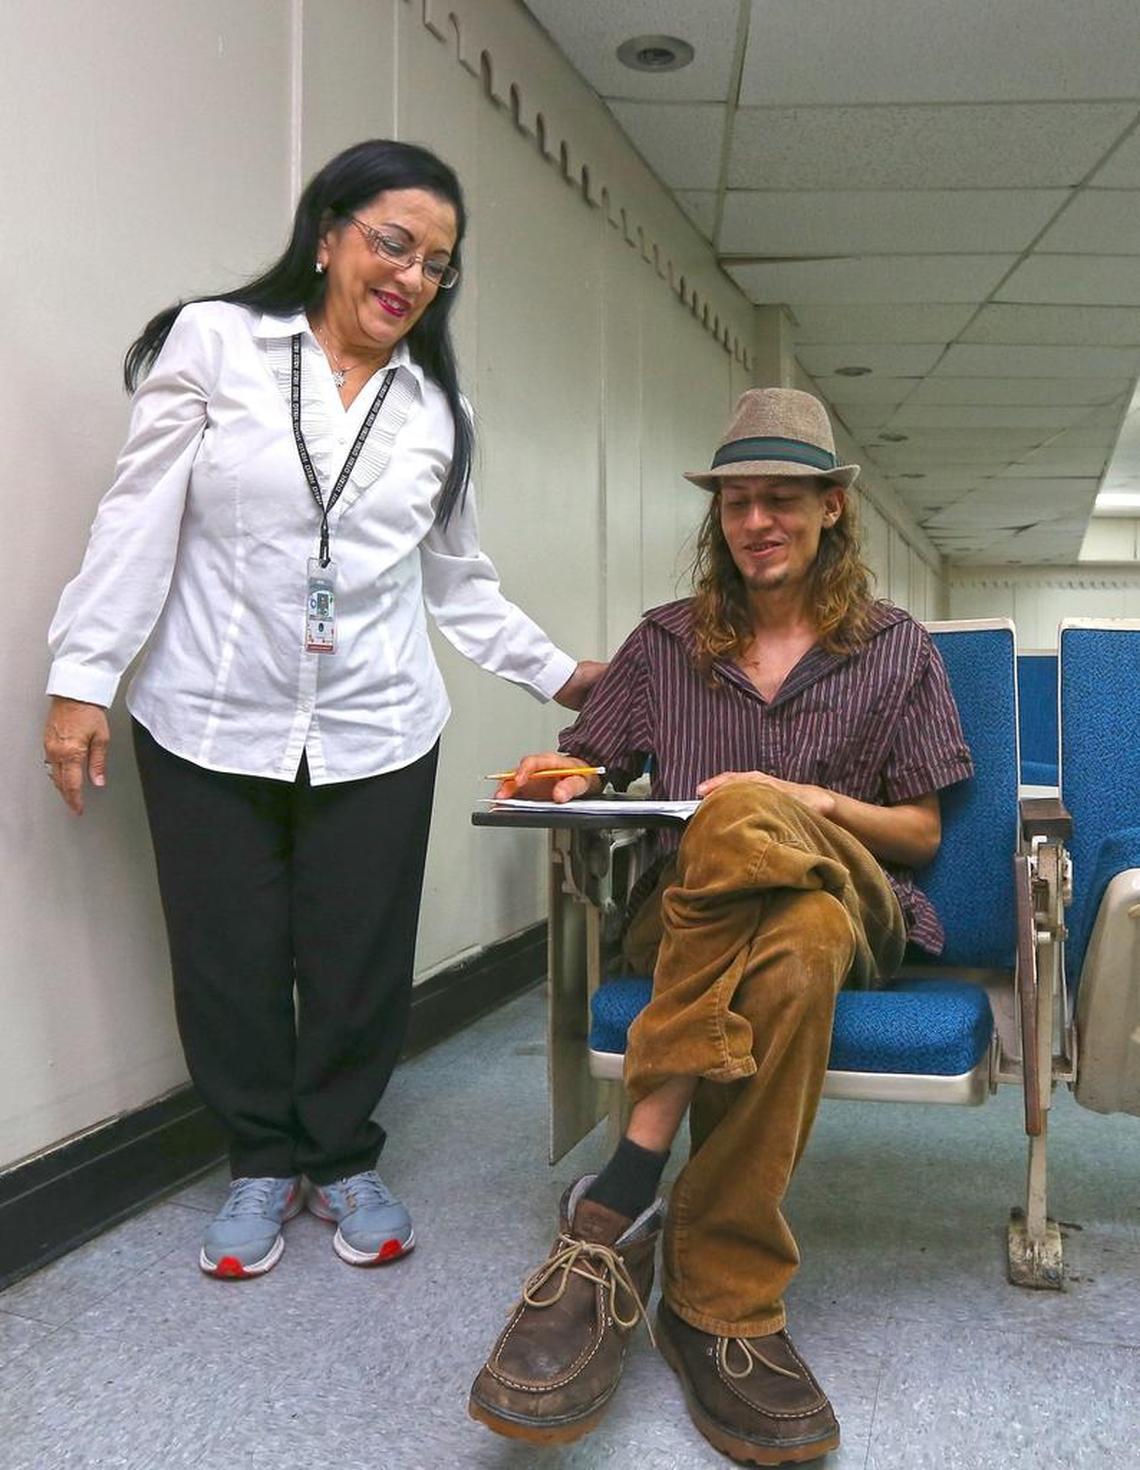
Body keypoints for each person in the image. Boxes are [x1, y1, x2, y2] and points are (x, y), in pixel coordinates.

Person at [43, 139, 602, 1282]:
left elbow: (460, 584)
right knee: (227, 953)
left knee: (357, 959)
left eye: (437, 264)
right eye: (393, 243)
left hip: (376, 721)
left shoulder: (442, 413)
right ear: (329, 231)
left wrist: (572, 677)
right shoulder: (216, 343)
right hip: (207, 711)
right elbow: (136, 519)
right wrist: (80, 681)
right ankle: (258, 1160)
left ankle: (343, 1155)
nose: (410, 277)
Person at [468, 388, 972, 1464]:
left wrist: (810, 803)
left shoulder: (898, 650)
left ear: (833, 508)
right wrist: (564, 778)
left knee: (750, 811)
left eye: (783, 498)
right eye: (739, 501)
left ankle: (619, 1199)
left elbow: (922, 832)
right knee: (786, 951)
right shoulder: (665, 646)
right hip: (719, 922)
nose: (758, 522)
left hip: (861, 899)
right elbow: (590, 760)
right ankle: (721, 1306)